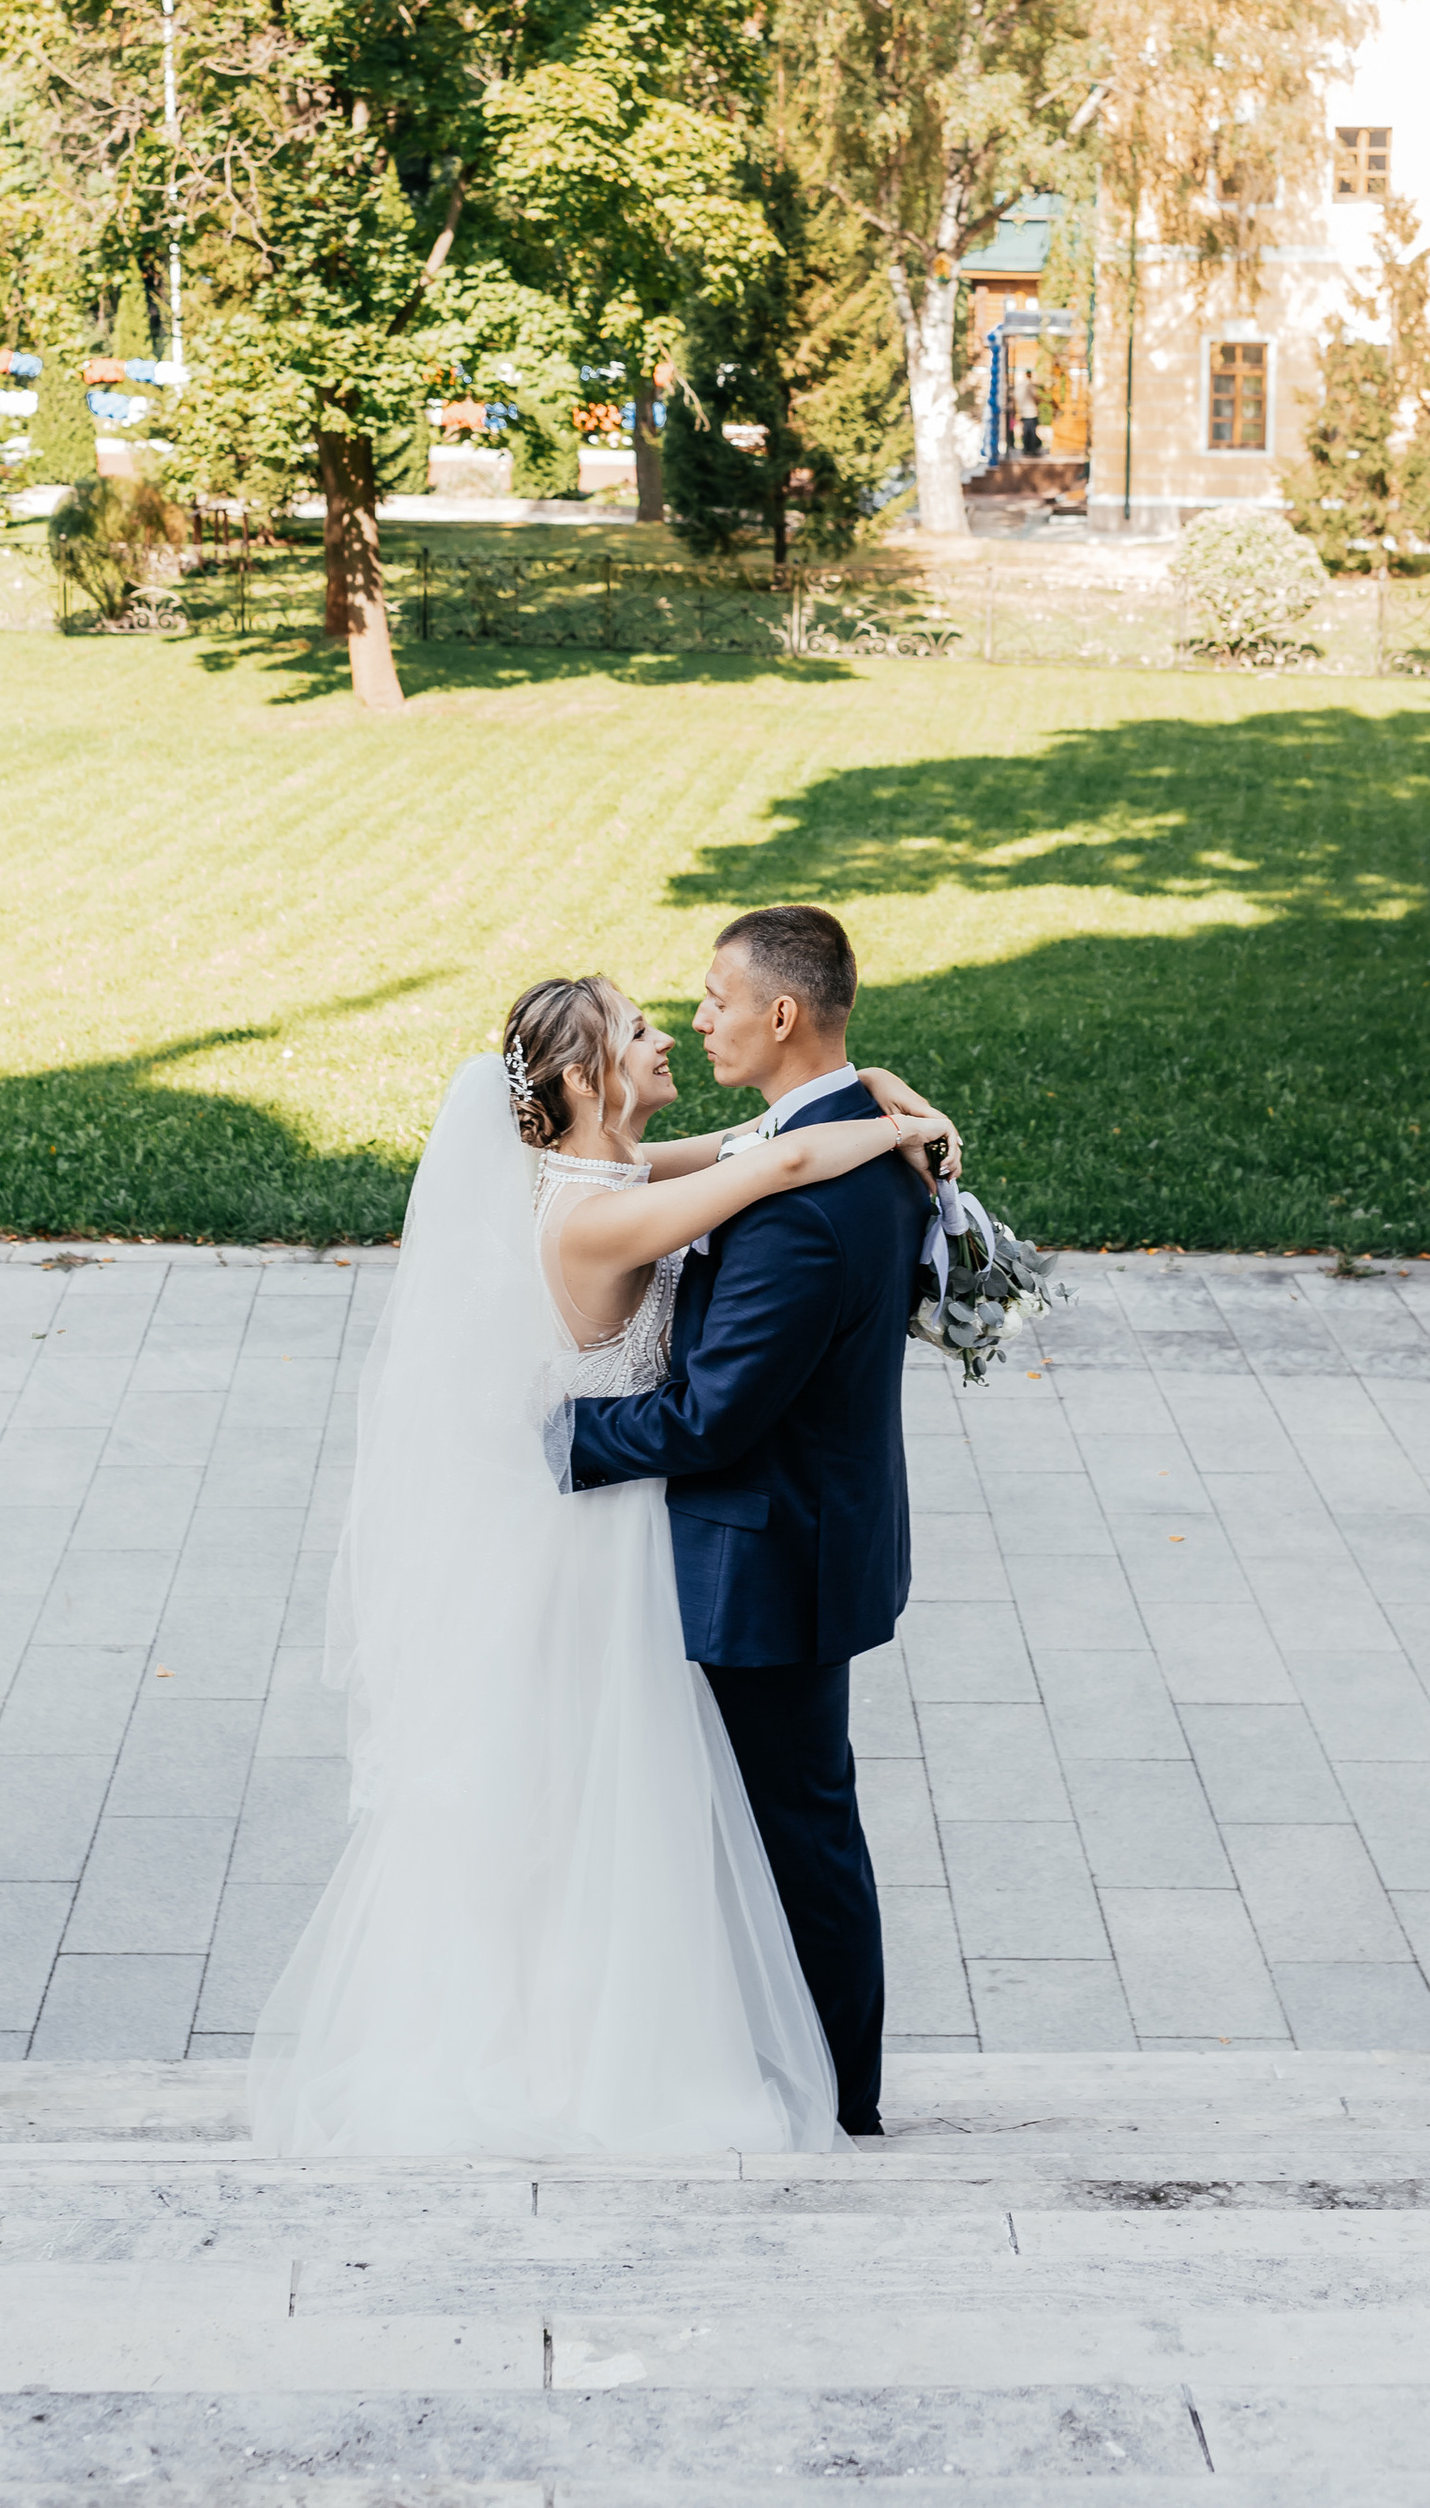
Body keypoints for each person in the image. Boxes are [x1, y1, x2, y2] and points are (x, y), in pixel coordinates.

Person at [249, 956, 951, 2158]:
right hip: (600, 1529)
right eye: (637, 1031)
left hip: (624, 1520)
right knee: (602, 1804)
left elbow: (751, 1134)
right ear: (584, 1076)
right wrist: (899, 1134)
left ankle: (636, 2031)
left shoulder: (610, 1167)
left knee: (620, 1800)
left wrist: (873, 1094)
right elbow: (775, 1160)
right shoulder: (599, 1210)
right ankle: (586, 2052)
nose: (668, 1036)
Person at [564, 905, 917, 2139]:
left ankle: (836, 2094)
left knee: (797, 1833)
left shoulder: (799, 1212)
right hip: (810, 1534)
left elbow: (710, 1424)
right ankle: (768, 2056)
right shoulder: (837, 1141)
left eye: (714, 999)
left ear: (780, 1015)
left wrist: (549, 1441)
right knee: (774, 1820)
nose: (698, 1017)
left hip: (772, 1561)